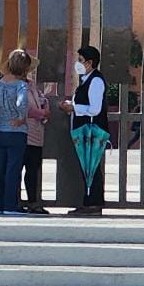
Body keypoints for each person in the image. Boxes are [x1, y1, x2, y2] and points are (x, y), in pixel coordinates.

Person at [59, 46, 107, 215]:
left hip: (92, 130)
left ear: (90, 62)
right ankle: (88, 202)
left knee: (91, 167)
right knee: (87, 167)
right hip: (83, 130)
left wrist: (73, 107)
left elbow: (95, 109)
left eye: (80, 60)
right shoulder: (86, 80)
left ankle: (93, 204)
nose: (77, 64)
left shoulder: (96, 81)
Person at [0, 49, 32, 215]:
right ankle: (10, 205)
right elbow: (21, 103)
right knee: (13, 169)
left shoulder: (0, 81)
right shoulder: (21, 85)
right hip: (16, 131)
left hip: (0, 129)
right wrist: (21, 118)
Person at [21, 63, 52, 214]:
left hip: (36, 134)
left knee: (33, 170)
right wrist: (41, 113)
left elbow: (43, 101)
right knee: (18, 169)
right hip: (22, 133)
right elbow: (24, 109)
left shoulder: (32, 86)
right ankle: (16, 201)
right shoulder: (17, 86)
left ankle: (32, 201)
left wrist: (44, 109)